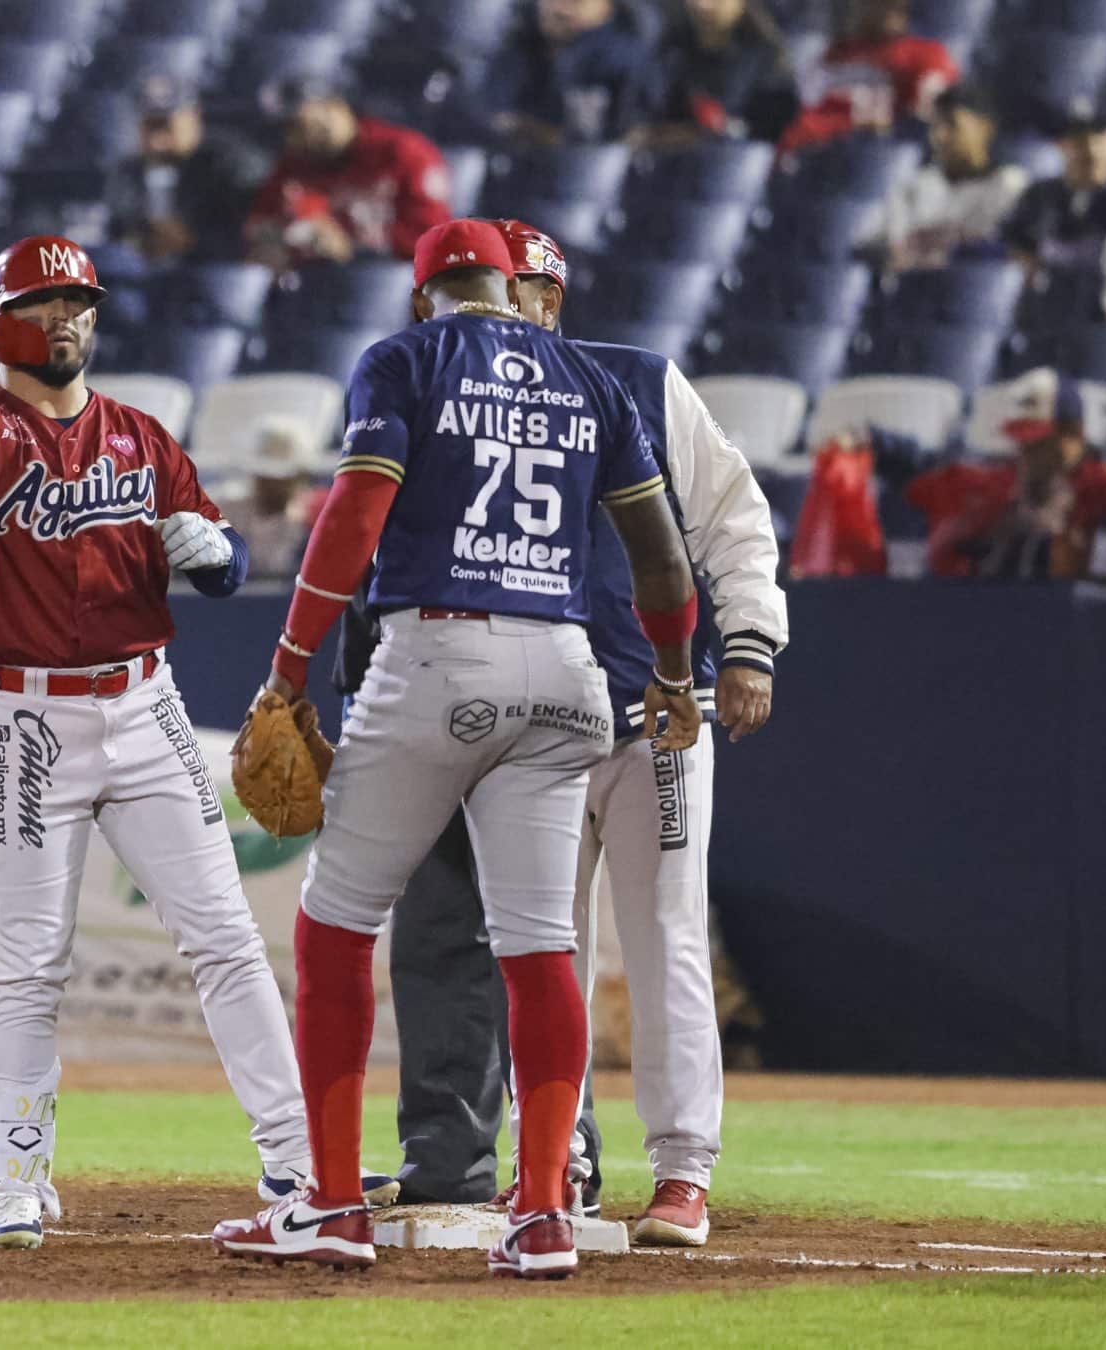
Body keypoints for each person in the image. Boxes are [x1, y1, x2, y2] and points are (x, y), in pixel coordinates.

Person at [0, 140, 396, 1251]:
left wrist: (211, 548)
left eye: (76, 298)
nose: (66, 316)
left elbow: (223, 571)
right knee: (30, 957)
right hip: (22, 719)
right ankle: (17, 1180)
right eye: (41, 299)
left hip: (142, 703)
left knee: (226, 935)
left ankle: (294, 1165)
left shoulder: (139, 433)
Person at [210, 220, 702, 1279]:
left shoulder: (406, 356)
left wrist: (289, 664)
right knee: (536, 946)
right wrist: (670, 673)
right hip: (568, 671)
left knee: (334, 928)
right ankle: (538, 1215)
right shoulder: (589, 380)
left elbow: (352, 513)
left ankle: (331, 1206)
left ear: (425, 290)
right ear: (502, 284)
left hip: (438, 653)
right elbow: (658, 556)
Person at [375, 219, 788, 1248]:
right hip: (538, 724)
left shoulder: (635, 380)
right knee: (537, 952)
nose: (496, 308)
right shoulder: (455, 399)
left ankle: (683, 1171)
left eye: (512, 290)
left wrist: (747, 645)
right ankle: (552, 1169)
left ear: (548, 300)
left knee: (663, 940)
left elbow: (729, 511)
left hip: (654, 706)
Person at [905, 368, 1106, 578]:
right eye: (1022, 441)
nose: (1027, 451)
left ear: (1073, 437)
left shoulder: (1098, 482)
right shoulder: (987, 484)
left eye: (1040, 443)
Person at [243, 82, 452, 268]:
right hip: (322, 283)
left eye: (321, 119)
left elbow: (433, 241)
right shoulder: (296, 166)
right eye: (298, 127)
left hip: (393, 278)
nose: (314, 131)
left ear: (341, 108)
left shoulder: (402, 152)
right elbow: (260, 224)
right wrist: (284, 236)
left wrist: (350, 248)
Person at [105, 76, 270, 264]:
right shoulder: (128, 175)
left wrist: (193, 240)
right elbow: (114, 235)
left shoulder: (231, 162)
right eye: (149, 127)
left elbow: (258, 233)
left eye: (165, 126)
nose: (157, 141)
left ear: (193, 117)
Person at [861, 85, 1027, 271]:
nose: (938, 135)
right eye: (936, 125)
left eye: (951, 124)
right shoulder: (913, 184)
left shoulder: (1010, 185)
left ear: (984, 128)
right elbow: (875, 243)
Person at [780, 0, 959, 152]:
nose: (864, 10)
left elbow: (936, 84)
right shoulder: (840, 51)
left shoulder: (921, 53)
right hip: (806, 144)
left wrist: (931, 96)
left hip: (863, 154)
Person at [482, 0, 654, 145]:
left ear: (606, 6)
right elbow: (486, 124)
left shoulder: (627, 59)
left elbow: (633, 140)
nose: (559, 8)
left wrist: (537, 133)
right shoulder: (516, 50)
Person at [637, 0, 800, 146]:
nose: (703, 5)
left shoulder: (764, 55)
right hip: (669, 151)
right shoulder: (675, 43)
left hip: (732, 153)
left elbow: (766, 126)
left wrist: (726, 128)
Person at [1006, 110, 1106, 280]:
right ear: (1061, 145)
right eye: (1079, 140)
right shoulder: (1039, 193)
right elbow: (1010, 239)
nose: (1091, 150)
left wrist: (1047, 253)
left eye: (1100, 139)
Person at [216, 414, 327, 580]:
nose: (271, 485)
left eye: (282, 479)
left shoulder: (318, 518)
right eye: (264, 476)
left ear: (301, 477)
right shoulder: (229, 511)